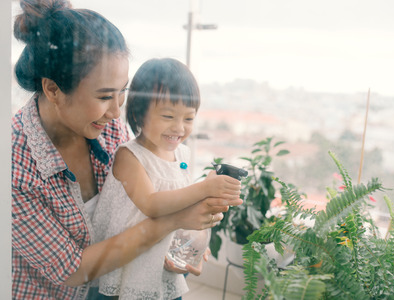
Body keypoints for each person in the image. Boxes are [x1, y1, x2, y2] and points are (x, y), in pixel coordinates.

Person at [11, 1, 242, 299]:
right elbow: (72, 271)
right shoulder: (14, 165)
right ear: (53, 89)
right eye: (106, 95)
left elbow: (134, 207)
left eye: (123, 91)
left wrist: (177, 242)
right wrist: (173, 221)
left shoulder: (105, 125)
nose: (117, 110)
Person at [92, 58, 241, 299]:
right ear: (139, 114)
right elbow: (152, 204)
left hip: (163, 264)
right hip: (128, 268)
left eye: (189, 118)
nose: (179, 128)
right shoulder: (129, 156)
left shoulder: (181, 154)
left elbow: (180, 205)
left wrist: (196, 245)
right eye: (168, 117)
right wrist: (204, 188)